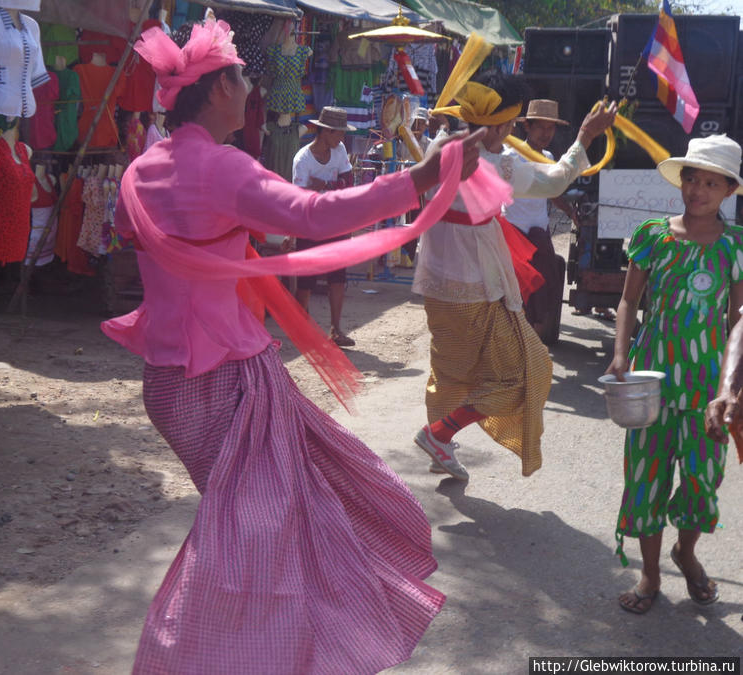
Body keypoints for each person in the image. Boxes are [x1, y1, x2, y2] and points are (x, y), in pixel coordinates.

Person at [104, 16, 486, 673]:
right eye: (244, 76)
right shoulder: (220, 167)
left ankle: (284, 648)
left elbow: (134, 238)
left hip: (169, 387)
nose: (254, 88)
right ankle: (205, 655)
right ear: (219, 90)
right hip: (224, 380)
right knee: (256, 538)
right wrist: (420, 177)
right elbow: (313, 216)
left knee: (270, 525)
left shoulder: (142, 169)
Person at [412, 70, 617, 480]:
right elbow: (555, 180)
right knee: (530, 369)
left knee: (452, 372)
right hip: (476, 287)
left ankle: (440, 443)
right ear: (504, 123)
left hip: (435, 281)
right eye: (509, 123)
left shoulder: (442, 144)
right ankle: (439, 434)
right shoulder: (500, 165)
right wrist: (585, 137)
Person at [605, 134, 743, 614]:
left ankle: (685, 551)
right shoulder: (652, 237)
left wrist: (730, 387)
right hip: (651, 386)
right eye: (692, 179)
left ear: (728, 191)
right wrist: (621, 353)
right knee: (645, 480)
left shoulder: (735, 247)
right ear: (680, 181)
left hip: (709, 392)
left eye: (711, 183)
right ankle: (649, 572)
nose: (698, 190)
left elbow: (738, 320)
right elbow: (628, 301)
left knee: (702, 482)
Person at [502, 99, 577, 341]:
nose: (546, 134)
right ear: (528, 128)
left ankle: (529, 345)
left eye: (550, 128)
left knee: (546, 291)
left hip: (539, 232)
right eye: (540, 128)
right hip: (513, 232)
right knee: (514, 294)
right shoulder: (509, 157)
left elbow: (552, 192)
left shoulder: (548, 156)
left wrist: (570, 211)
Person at [292, 105, 357, 347]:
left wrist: (324, 187)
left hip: (336, 222)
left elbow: (348, 182)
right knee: (306, 278)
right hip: (311, 223)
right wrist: (332, 186)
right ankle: (301, 329)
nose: (342, 138)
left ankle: (336, 329)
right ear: (326, 132)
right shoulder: (302, 159)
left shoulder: (338, 150)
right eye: (339, 133)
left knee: (337, 277)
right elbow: (299, 197)